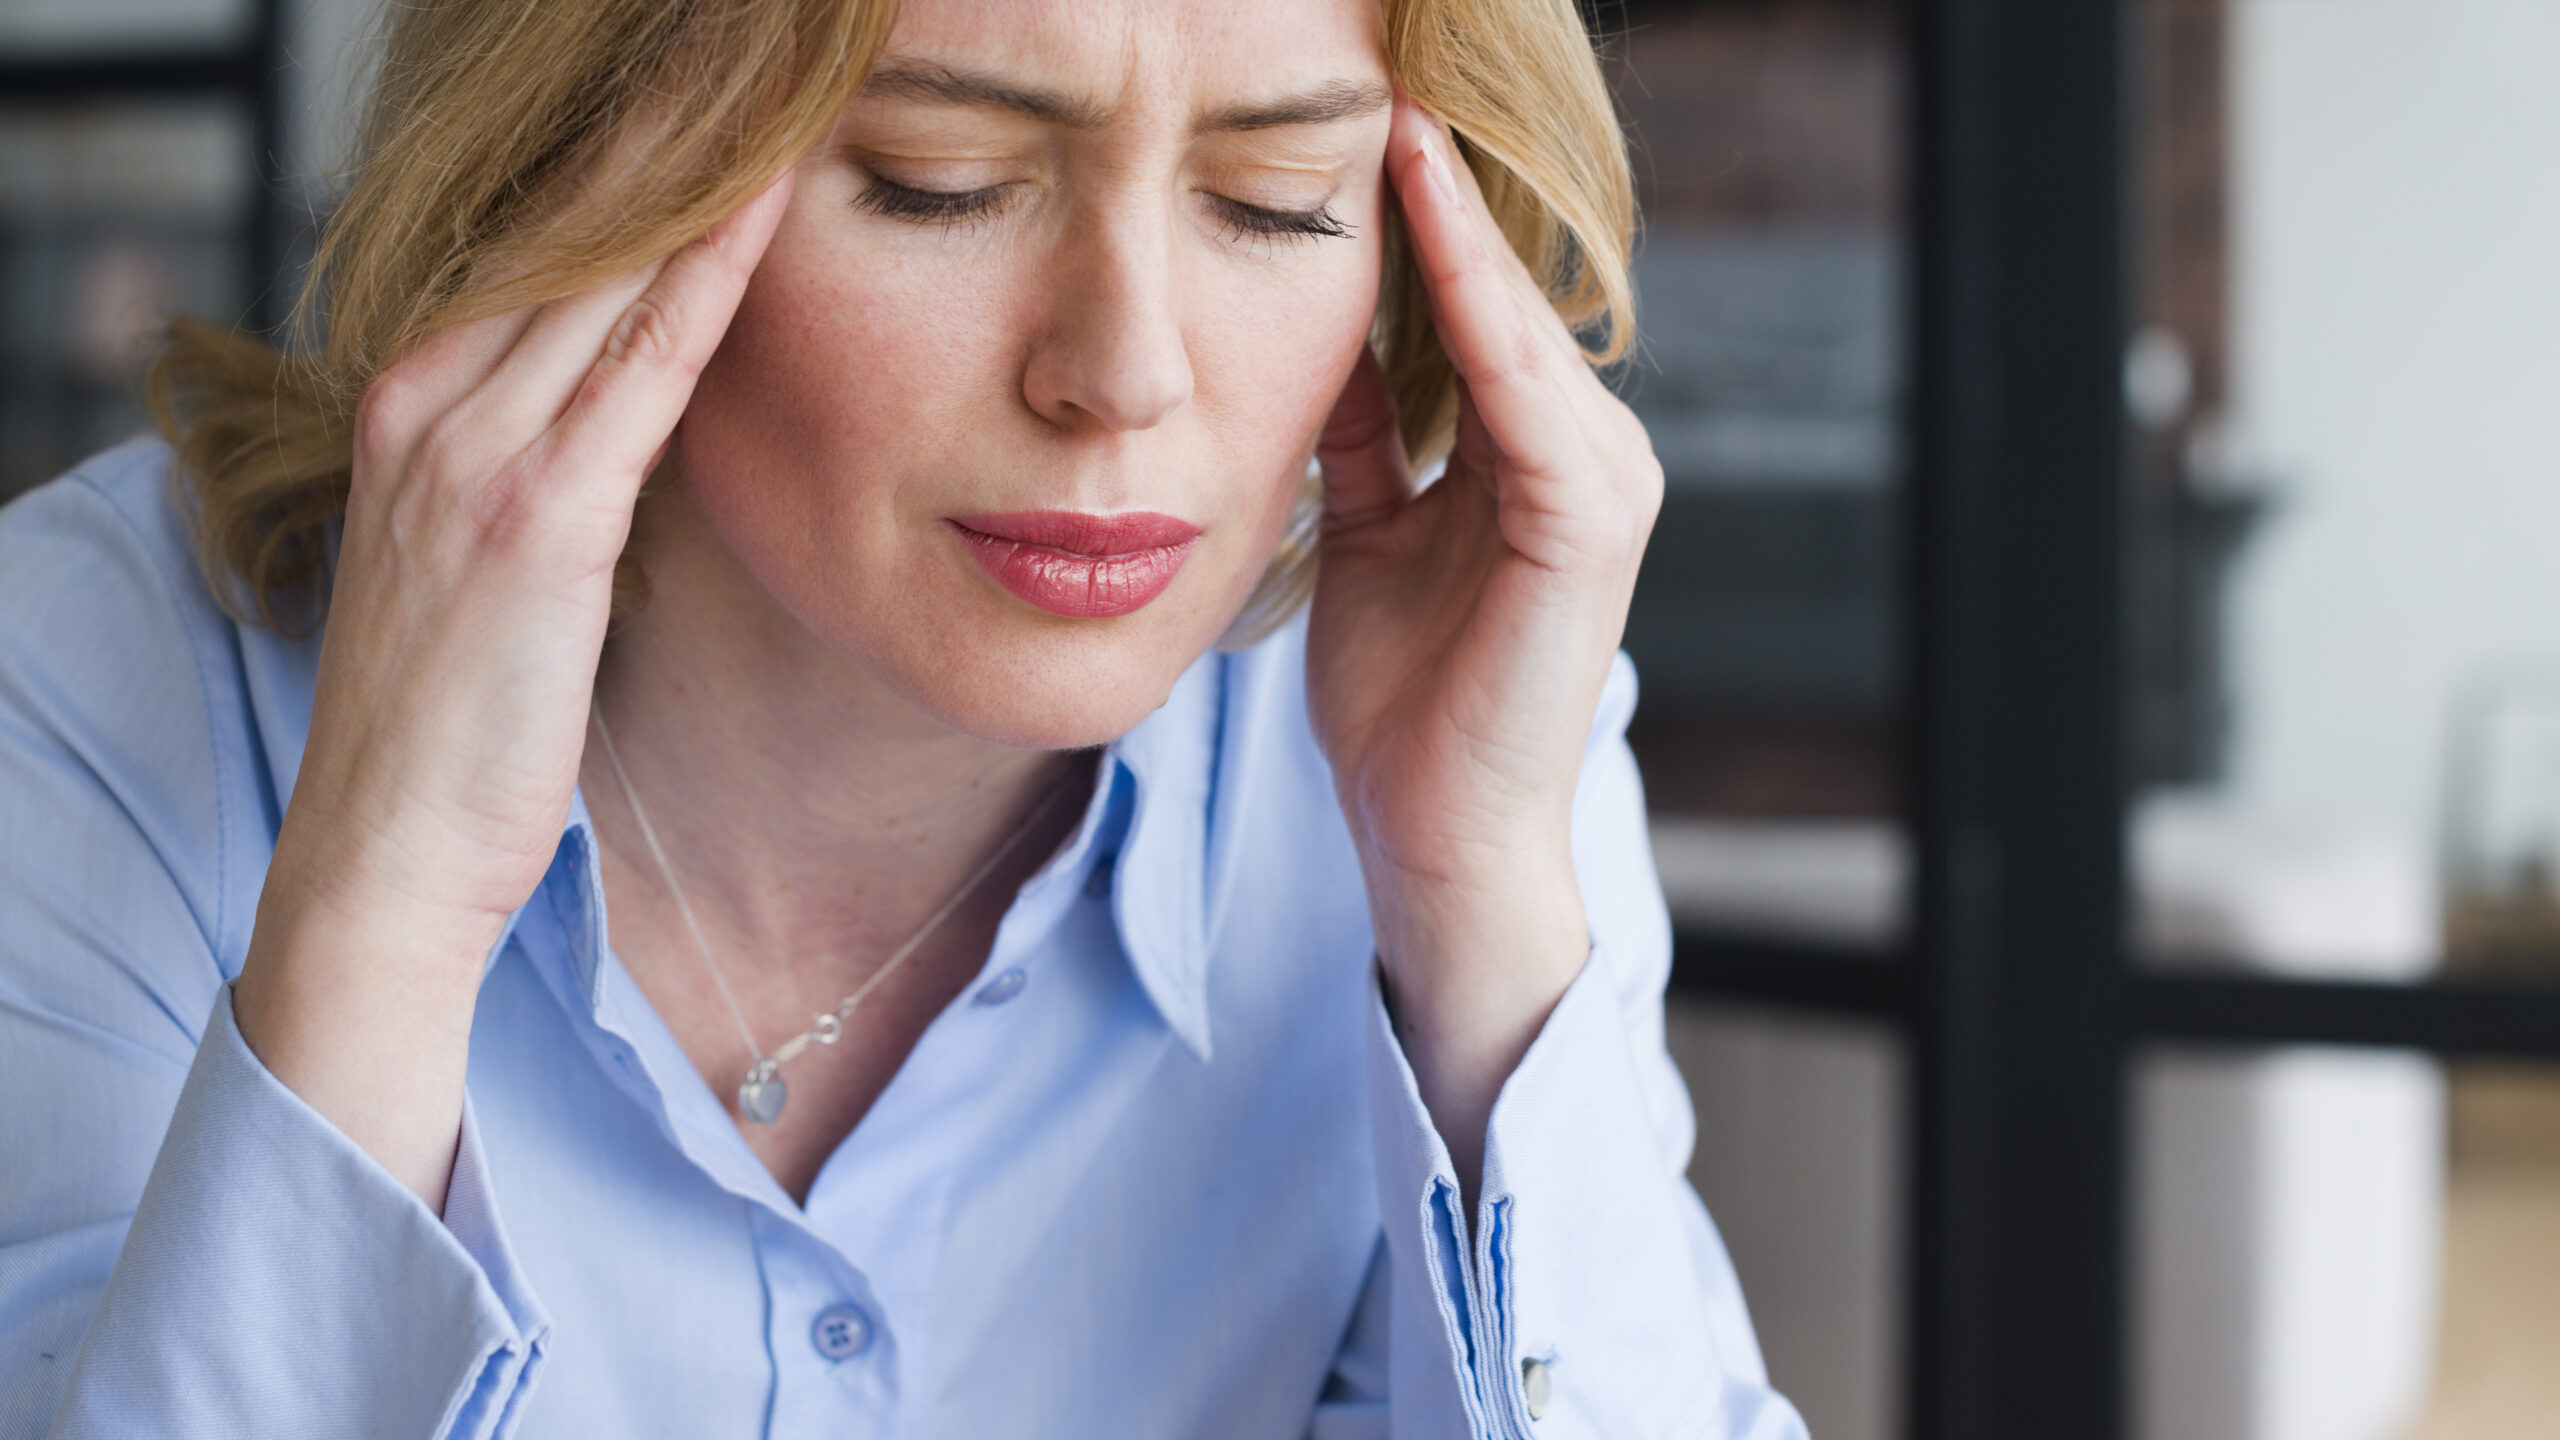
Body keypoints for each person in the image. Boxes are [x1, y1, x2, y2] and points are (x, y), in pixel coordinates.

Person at [0, 0, 1806, 1433]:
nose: (1126, 373)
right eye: (941, 179)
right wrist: (381, 904)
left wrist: (1479, 912)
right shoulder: (92, 690)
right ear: (577, 180)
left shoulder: (1463, 743)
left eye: (1275, 204)